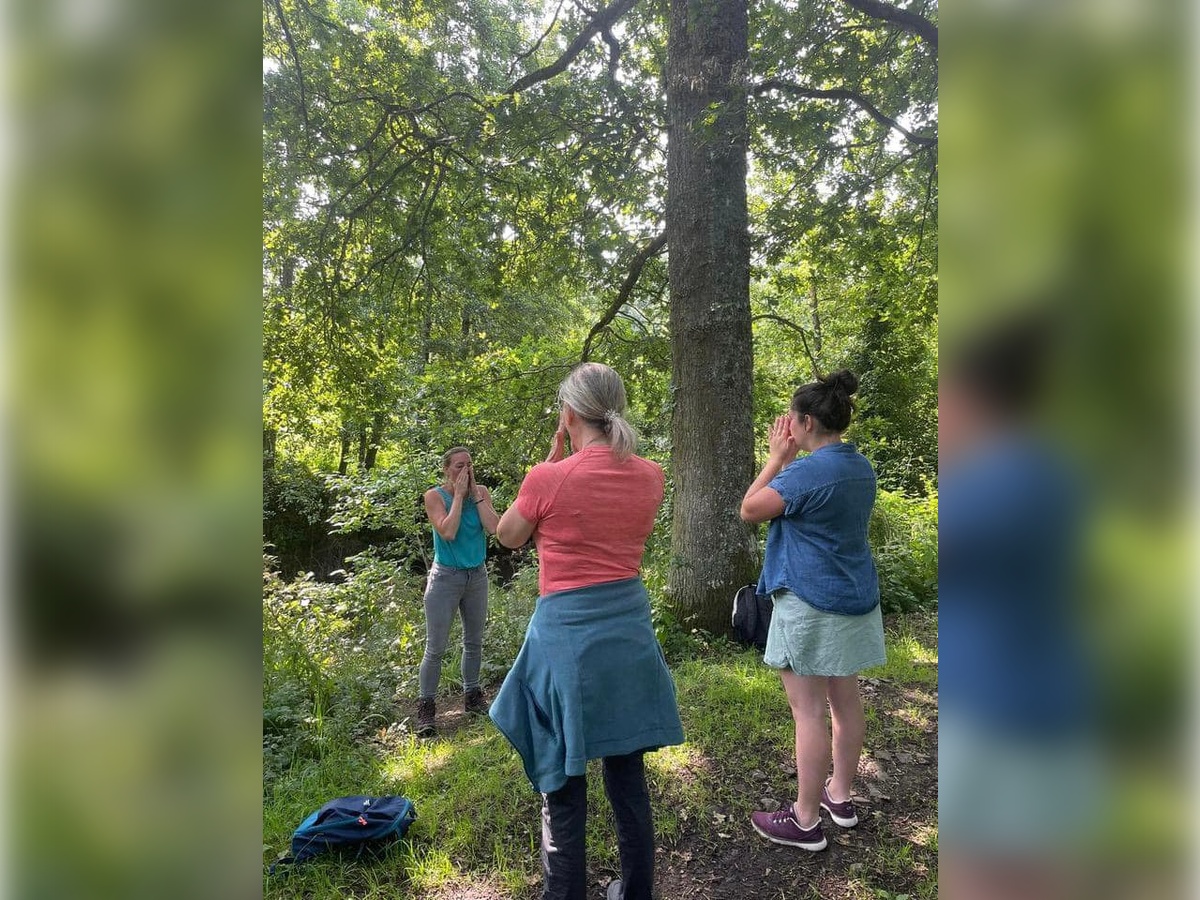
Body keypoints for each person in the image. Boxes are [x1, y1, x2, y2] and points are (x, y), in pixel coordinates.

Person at [491, 363, 684, 900]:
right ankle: (637, 892)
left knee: (562, 781)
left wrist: (549, 468)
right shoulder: (651, 475)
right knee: (627, 778)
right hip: (628, 633)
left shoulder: (547, 477)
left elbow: (508, 536)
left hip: (567, 641)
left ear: (570, 413)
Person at [739, 369, 885, 852]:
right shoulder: (859, 466)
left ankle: (804, 820)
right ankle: (838, 796)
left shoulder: (806, 472)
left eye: (791, 420)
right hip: (854, 598)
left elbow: (750, 509)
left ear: (805, 422)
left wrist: (775, 459)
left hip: (811, 602)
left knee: (808, 712)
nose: (786, 427)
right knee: (846, 701)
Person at [417, 446, 500, 737]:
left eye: (469, 465)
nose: (465, 470)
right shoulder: (434, 496)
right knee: (435, 647)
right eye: (459, 466)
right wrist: (459, 496)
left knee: (474, 641)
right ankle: (426, 708)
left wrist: (474, 494)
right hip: (445, 578)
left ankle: (472, 696)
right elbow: (448, 531)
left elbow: (495, 528)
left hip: (476, 576)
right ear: (446, 470)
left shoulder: (482, 493)